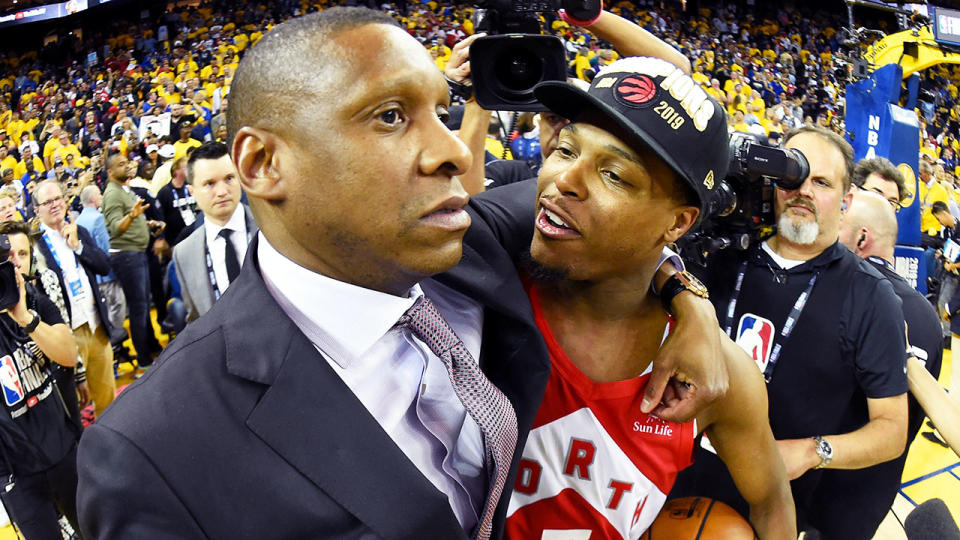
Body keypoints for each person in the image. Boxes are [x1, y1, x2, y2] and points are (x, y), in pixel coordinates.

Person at [77, 8, 725, 539]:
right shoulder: (150, 451)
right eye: (391, 116)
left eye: (443, 110)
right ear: (265, 163)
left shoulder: (475, 241)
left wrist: (688, 302)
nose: (449, 148)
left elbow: (643, 183)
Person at [503, 58, 795, 539]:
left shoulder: (717, 374)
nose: (565, 180)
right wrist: (687, 296)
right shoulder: (487, 287)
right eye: (565, 149)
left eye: (614, 174)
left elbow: (771, 501)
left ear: (678, 224)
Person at [672, 125, 909, 540]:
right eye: (792, 176)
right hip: (668, 482)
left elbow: (891, 430)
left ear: (846, 201)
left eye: (821, 182)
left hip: (771, 510)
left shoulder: (872, 297)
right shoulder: (719, 253)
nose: (803, 191)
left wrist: (811, 451)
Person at [835, 188, 943, 538]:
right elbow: (915, 424)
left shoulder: (836, 293)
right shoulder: (927, 316)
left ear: (862, 235)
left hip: (815, 476)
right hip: (873, 493)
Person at [0, 222, 82, 538]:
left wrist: (24, 318)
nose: (15, 264)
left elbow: (67, 354)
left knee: (93, 528)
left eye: (20, 256)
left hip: (62, 449)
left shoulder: (32, 300)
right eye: (9, 257)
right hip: (16, 470)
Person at [32, 179, 117, 419]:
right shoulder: (36, 246)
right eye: (47, 202)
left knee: (107, 399)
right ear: (37, 210)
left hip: (96, 326)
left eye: (58, 198)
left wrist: (78, 246)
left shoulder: (81, 232)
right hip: (68, 334)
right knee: (73, 406)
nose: (55, 205)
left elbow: (103, 265)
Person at [172, 142, 256, 321]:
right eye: (209, 184)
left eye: (229, 178)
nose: (222, 191)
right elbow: (196, 321)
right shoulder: (184, 253)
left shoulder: (271, 228)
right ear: (192, 192)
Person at [100, 153, 154, 372]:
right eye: (120, 164)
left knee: (144, 305)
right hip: (126, 256)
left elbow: (131, 219)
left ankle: (150, 348)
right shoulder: (112, 194)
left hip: (136, 253)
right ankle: (144, 360)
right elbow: (114, 227)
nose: (127, 166)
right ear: (110, 172)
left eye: (127, 162)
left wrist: (148, 224)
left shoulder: (124, 190)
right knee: (138, 308)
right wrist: (132, 216)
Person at [76, 185, 127, 335]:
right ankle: (117, 339)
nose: (102, 197)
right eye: (99, 194)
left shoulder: (78, 220)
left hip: (92, 277)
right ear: (92, 198)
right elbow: (107, 247)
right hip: (107, 274)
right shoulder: (98, 218)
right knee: (117, 306)